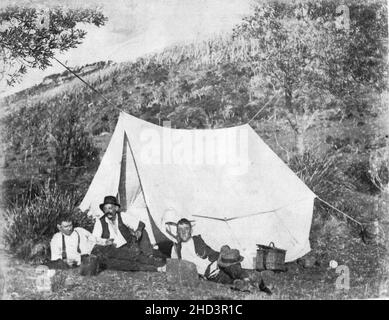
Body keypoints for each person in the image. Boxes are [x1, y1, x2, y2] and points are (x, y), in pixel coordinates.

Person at [170, 218, 271, 294]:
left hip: (219, 263)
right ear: (177, 232)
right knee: (233, 283)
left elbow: (211, 252)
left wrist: (222, 255)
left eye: (186, 228)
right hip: (211, 274)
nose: (183, 232)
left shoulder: (197, 239)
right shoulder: (176, 248)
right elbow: (174, 267)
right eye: (180, 229)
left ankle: (258, 281)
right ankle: (249, 284)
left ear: (191, 230)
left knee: (235, 269)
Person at [90, 196, 165, 272]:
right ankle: (156, 268)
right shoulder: (100, 222)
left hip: (128, 246)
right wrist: (105, 241)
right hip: (113, 251)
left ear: (116, 208)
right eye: (105, 209)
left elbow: (140, 224)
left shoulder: (122, 216)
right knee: (128, 263)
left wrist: (138, 231)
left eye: (110, 208)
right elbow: (94, 239)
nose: (107, 211)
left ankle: (153, 259)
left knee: (141, 237)